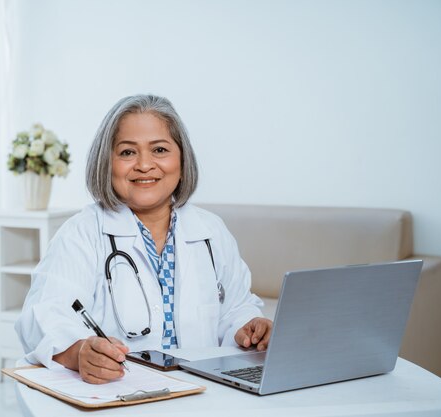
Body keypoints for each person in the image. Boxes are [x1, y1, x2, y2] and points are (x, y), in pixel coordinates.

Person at [15, 94, 273, 384]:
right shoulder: (81, 233)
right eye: (127, 152)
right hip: (123, 394)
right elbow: (44, 316)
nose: (144, 165)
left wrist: (249, 327)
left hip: (204, 392)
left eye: (160, 149)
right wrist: (79, 352)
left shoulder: (211, 231)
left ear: (182, 158)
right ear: (107, 162)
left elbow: (236, 307)